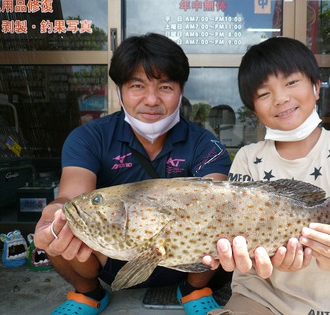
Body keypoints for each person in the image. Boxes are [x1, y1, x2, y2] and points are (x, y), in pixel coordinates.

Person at [34, 33, 232, 315]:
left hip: (185, 259)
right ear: (119, 91)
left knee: (224, 225)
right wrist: (54, 216)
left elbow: (218, 204)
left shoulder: (205, 144)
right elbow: (71, 196)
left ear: (181, 90)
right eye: (137, 86)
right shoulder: (89, 137)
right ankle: (88, 293)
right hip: (107, 260)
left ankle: (194, 289)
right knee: (64, 224)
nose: (151, 100)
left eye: (165, 87)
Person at [203, 37, 330, 315]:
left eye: (291, 83)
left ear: (316, 87)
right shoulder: (246, 157)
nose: (280, 99)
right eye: (264, 94)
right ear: (254, 109)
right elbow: (238, 232)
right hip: (258, 294)